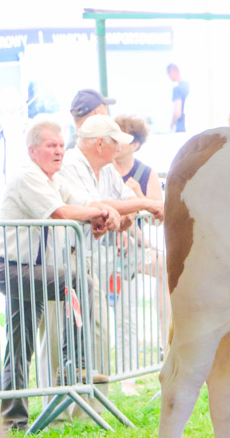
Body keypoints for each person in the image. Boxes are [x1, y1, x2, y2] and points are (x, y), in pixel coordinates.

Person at [0, 119, 117, 431]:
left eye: (61, 145)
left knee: (19, 339)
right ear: (32, 151)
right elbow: (62, 213)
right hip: (8, 267)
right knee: (78, 280)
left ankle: (13, 420)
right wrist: (97, 214)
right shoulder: (28, 176)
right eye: (51, 145)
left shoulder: (53, 179)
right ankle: (73, 367)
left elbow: (82, 203)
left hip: (28, 269)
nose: (59, 151)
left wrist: (103, 212)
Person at [60, 115, 165, 385]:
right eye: (115, 142)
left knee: (96, 327)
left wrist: (116, 214)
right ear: (99, 144)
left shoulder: (106, 168)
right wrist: (144, 204)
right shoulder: (71, 164)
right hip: (63, 257)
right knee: (68, 331)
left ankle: (92, 396)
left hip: (88, 257)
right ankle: (67, 399)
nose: (118, 148)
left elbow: (120, 203)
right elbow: (95, 205)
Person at [113, 115, 170, 382]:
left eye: (122, 136)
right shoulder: (104, 169)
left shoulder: (145, 173)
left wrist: (137, 198)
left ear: (134, 144)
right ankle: (127, 374)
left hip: (135, 248)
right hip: (106, 246)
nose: (116, 140)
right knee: (124, 309)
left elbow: (159, 216)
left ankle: (167, 343)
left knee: (167, 269)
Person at [167, 63, 189, 132]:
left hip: (182, 127)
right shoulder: (188, 86)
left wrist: (172, 122)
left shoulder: (177, 89)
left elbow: (177, 113)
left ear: (172, 72)